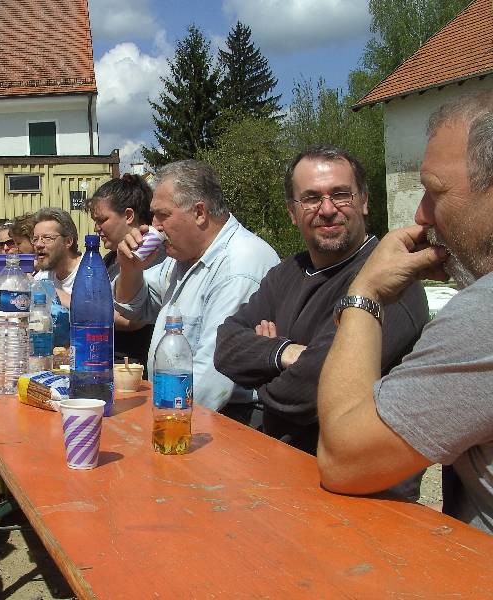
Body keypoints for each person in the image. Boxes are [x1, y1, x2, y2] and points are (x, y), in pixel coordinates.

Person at [316, 91, 493, 534]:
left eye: (435, 191)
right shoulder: (285, 272)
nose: (420, 213)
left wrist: (366, 292)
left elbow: (343, 458)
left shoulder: (485, 314)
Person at [215, 146, 428, 451]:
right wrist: (284, 352)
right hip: (276, 458)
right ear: (292, 212)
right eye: (311, 198)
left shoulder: (389, 283)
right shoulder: (287, 271)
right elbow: (225, 346)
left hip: (348, 473)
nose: (327, 209)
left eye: (341, 194)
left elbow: (308, 393)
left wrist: (261, 371)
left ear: (364, 202)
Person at [114, 159, 279, 412]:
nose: (154, 225)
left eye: (162, 215)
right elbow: (132, 308)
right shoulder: (183, 258)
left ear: (200, 213)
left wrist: (154, 420)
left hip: (226, 416)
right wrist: (130, 269)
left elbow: (210, 382)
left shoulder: (238, 266)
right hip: (179, 406)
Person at [88, 174, 163, 369]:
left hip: (133, 370)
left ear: (129, 215)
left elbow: (133, 319)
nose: (96, 228)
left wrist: (75, 304)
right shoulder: (109, 259)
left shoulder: (152, 254)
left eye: (102, 220)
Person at [32, 207, 82, 308]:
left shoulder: (90, 272)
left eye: (47, 238)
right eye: (35, 239)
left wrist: (49, 290)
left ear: (68, 242)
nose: (38, 244)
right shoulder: (43, 276)